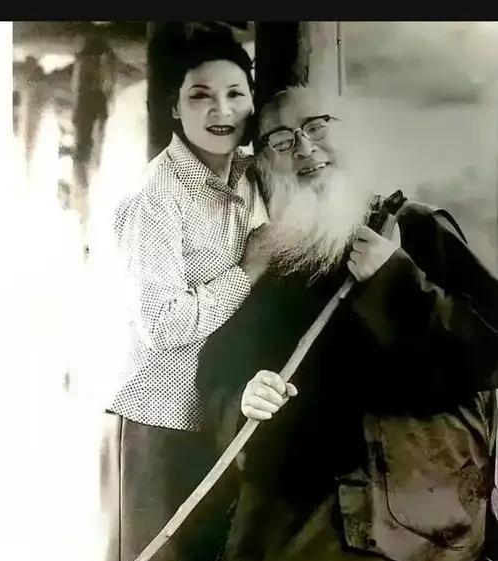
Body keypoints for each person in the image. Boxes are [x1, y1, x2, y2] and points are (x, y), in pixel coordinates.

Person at [197, 85, 498, 561]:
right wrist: (243, 398)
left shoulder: (415, 227)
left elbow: (489, 352)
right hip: (292, 527)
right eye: (281, 140)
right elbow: (217, 370)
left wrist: (396, 278)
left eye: (316, 126)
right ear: (265, 163)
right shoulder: (271, 258)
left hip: (410, 527)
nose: (304, 147)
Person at [99, 28, 270, 561]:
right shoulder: (155, 196)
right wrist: (247, 272)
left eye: (235, 93)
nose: (221, 110)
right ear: (174, 108)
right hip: (156, 418)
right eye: (200, 95)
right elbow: (162, 323)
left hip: (220, 412)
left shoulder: (250, 176)